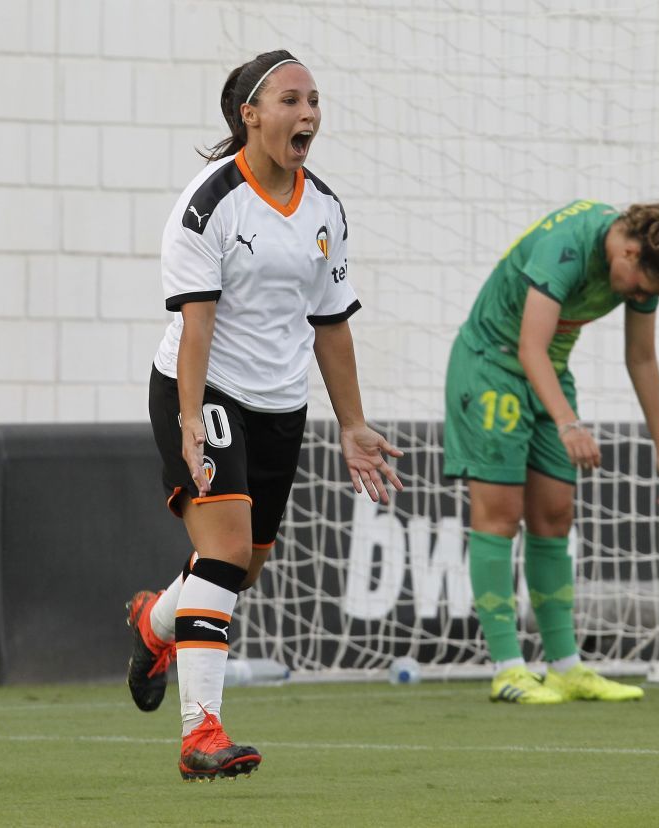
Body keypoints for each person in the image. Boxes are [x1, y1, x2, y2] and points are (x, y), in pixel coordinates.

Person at [125, 49, 403, 781]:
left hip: (282, 405)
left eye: (314, 99)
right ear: (250, 114)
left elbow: (331, 321)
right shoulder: (210, 203)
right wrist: (189, 419)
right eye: (290, 100)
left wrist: (351, 423)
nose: (307, 112)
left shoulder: (325, 210)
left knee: (240, 570)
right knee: (221, 552)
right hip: (203, 388)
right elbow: (197, 324)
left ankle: (156, 622)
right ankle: (200, 734)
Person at [444, 199, 659, 704]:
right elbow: (528, 347)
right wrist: (569, 423)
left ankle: (565, 666)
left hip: (549, 379)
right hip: (491, 366)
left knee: (555, 515)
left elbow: (642, 358)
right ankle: (508, 669)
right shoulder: (569, 245)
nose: (641, 297)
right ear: (627, 250)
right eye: (643, 287)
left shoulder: (639, 266)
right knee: (500, 515)